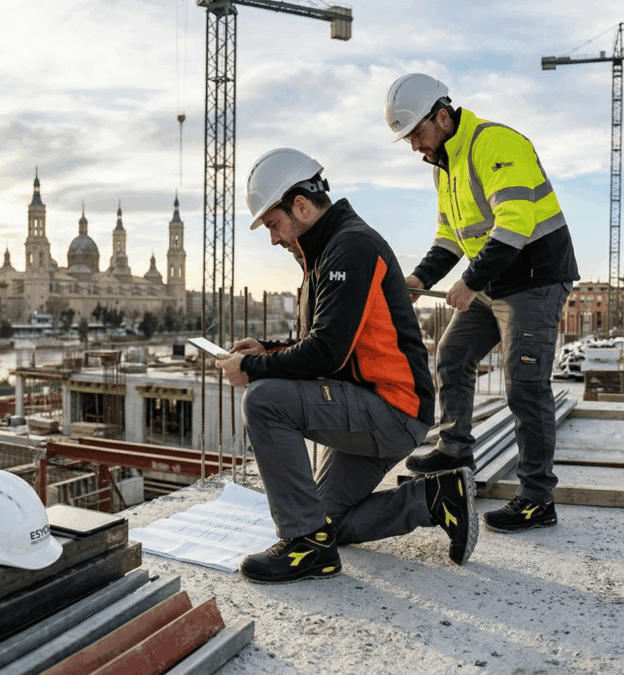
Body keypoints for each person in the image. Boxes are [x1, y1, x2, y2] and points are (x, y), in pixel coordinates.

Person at [213, 147, 478, 584]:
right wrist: (266, 352)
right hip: (375, 404)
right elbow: (320, 344)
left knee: (263, 400)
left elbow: (328, 352)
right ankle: (435, 498)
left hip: (390, 409)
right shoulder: (324, 252)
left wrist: (254, 371)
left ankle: (303, 548)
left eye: (274, 225)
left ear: (300, 205)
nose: (274, 239)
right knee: (325, 523)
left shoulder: (350, 247)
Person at [384, 73, 580, 533]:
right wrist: (418, 279)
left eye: (416, 133)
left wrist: (471, 282)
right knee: (452, 355)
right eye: (408, 138)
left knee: (525, 386)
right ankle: (455, 448)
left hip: (535, 278)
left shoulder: (495, 143)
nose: (414, 146)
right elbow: (451, 236)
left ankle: (537, 499)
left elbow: (513, 223)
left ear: (443, 116)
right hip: (496, 281)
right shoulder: (443, 168)